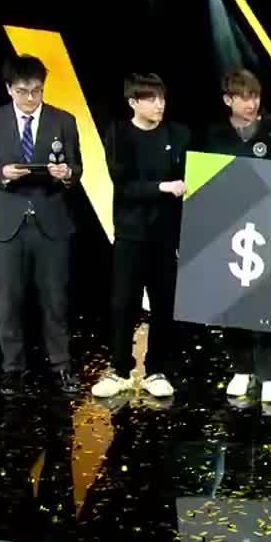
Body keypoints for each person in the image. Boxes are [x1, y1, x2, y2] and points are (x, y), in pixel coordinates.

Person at [0, 54, 83, 395]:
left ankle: (61, 365)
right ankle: (12, 368)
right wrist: (2, 174)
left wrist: (66, 174)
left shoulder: (63, 120)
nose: (31, 98)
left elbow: (77, 167)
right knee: (9, 299)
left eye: (37, 91)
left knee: (55, 298)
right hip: (6, 224)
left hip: (52, 221)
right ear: (9, 89)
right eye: (23, 91)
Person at [91, 73, 192, 400]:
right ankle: (119, 370)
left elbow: (191, 177)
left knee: (164, 303)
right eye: (151, 99)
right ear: (133, 102)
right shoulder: (119, 134)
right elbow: (123, 184)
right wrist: (161, 187)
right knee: (123, 303)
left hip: (166, 235)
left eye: (162, 98)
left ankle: (157, 369)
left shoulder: (178, 134)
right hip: (131, 233)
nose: (159, 105)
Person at [200, 68, 271, 404]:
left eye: (255, 96)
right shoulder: (213, 136)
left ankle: (270, 373)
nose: (251, 104)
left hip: (268, 231)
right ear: (228, 100)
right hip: (227, 233)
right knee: (232, 302)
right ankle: (241, 368)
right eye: (243, 98)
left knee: (267, 301)